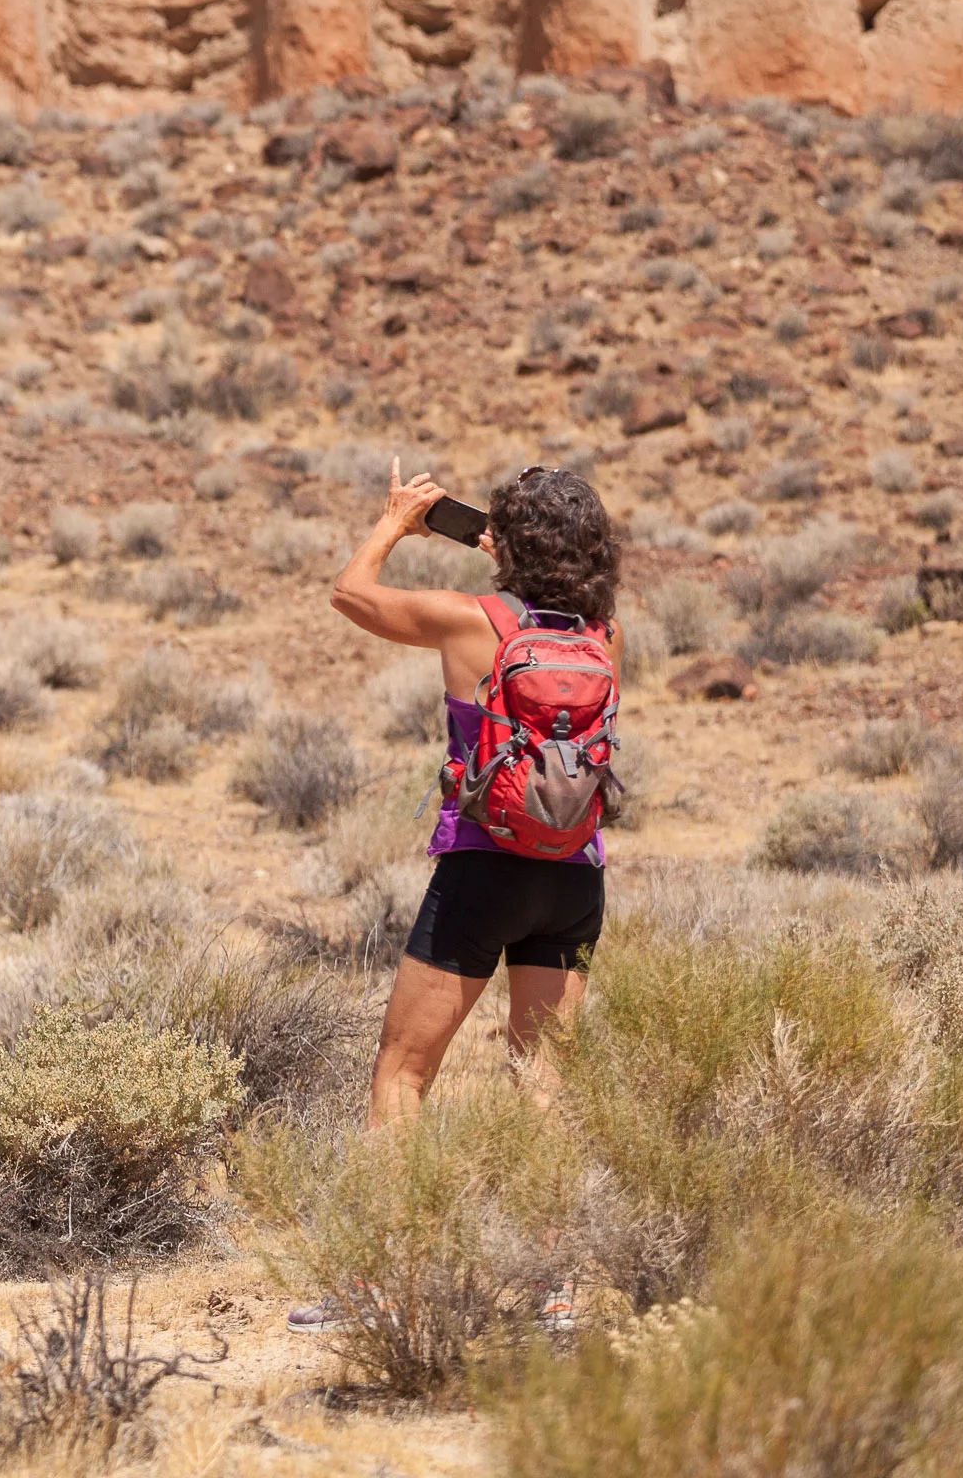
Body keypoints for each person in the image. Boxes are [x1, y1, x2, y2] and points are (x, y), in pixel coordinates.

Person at [287, 462, 623, 1337]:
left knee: (402, 1076)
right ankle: (555, 1293)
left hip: (483, 871)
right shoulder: (604, 636)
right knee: (542, 1081)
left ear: (506, 544)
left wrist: (399, 520)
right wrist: (506, 548)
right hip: (574, 876)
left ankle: (379, 1287)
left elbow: (350, 594)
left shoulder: (470, 621)